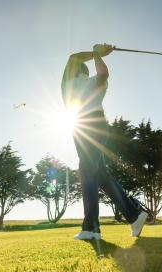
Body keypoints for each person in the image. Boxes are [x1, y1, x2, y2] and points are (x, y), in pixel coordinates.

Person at [61, 44, 148, 240]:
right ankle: (134, 215)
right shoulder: (94, 82)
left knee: (86, 171)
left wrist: (95, 53)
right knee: (100, 175)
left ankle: (91, 228)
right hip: (97, 126)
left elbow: (74, 58)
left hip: (84, 127)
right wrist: (97, 55)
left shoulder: (67, 84)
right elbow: (103, 72)